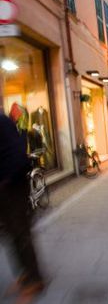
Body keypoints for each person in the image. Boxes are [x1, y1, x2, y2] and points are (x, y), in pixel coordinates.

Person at [0, 114, 45, 303]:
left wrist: (6, 179)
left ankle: (35, 279)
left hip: (12, 187)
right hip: (5, 187)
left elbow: (19, 156)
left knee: (21, 234)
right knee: (11, 234)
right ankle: (26, 275)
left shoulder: (2, 122)